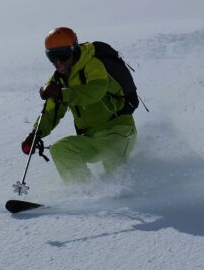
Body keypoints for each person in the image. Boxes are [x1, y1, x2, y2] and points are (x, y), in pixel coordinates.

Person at [21, 27, 137, 183]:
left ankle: (125, 201)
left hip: (119, 131)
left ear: (74, 50)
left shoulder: (93, 64)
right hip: (91, 138)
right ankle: (85, 193)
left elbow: (96, 91)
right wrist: (35, 133)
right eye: (52, 57)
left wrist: (62, 94)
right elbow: (50, 112)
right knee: (61, 150)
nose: (57, 62)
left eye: (62, 55)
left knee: (114, 170)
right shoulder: (58, 80)